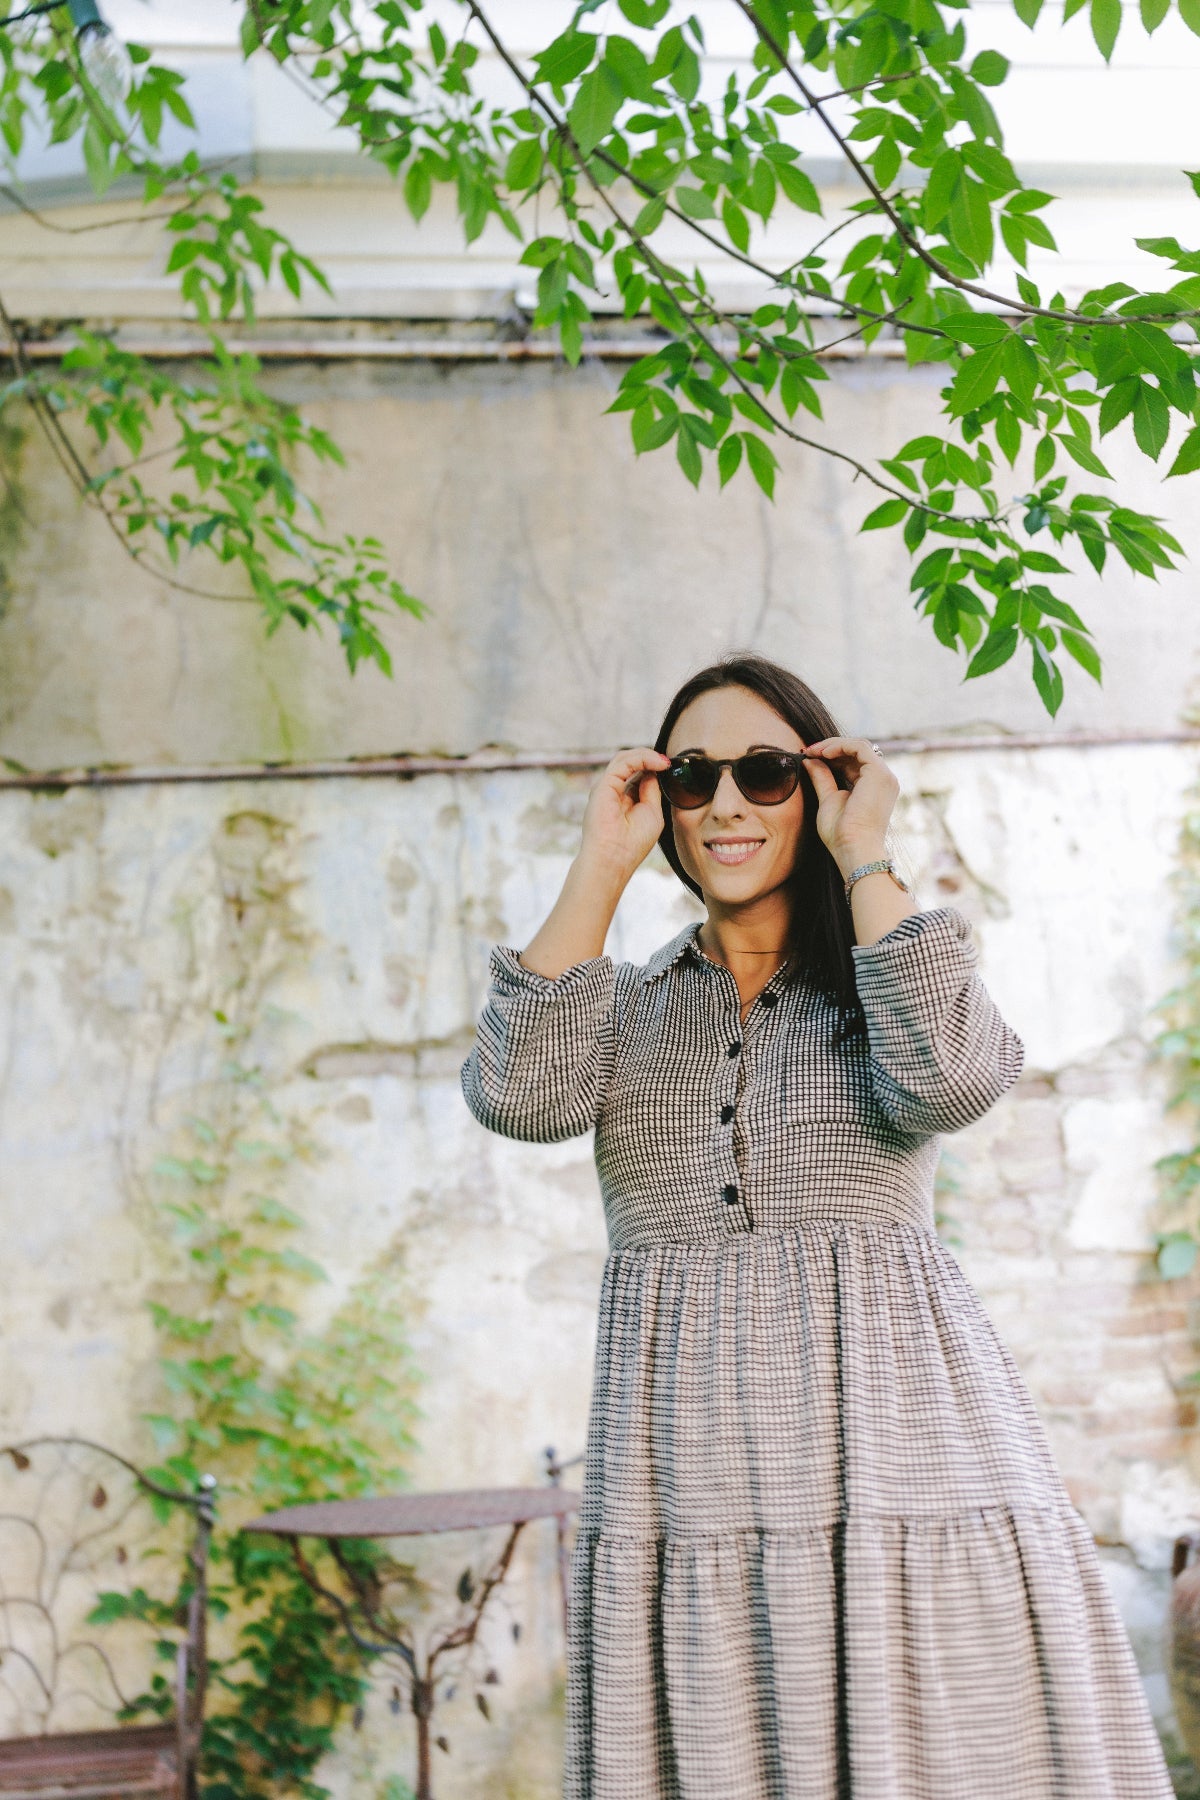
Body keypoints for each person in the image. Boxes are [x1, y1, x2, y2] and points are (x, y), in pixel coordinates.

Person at [459, 650, 1173, 1800]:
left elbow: (953, 1082)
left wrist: (867, 854)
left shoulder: (883, 979)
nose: (728, 802)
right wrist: (600, 864)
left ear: (820, 787)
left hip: (899, 1469)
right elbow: (516, 1097)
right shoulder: (625, 1007)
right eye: (694, 778)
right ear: (664, 803)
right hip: (687, 1485)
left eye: (765, 772)